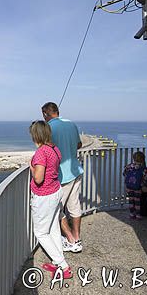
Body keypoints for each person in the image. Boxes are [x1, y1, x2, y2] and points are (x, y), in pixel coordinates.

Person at [29, 120, 72, 278]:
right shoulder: (54, 149)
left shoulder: (41, 152)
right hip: (55, 191)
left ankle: (63, 266)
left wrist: (32, 167)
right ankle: (58, 262)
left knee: (40, 233)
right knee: (53, 227)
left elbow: (39, 178)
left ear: (36, 135)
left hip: (44, 196)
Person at [42, 102, 84, 253]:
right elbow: (79, 144)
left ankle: (70, 239)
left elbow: (46, 150)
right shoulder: (71, 124)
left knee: (56, 209)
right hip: (76, 170)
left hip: (61, 175)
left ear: (45, 114)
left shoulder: (48, 128)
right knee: (74, 206)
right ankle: (77, 238)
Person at [123, 151, 147, 219]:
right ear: (143, 159)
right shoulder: (143, 169)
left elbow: (124, 174)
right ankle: (138, 215)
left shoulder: (129, 166)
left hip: (129, 186)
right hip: (137, 187)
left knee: (131, 200)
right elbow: (145, 178)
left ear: (133, 158)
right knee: (137, 201)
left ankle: (131, 213)